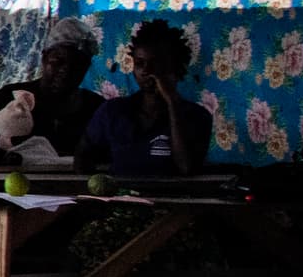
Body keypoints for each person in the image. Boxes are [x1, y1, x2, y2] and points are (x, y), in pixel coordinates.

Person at [83, 19, 213, 176]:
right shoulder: (113, 112)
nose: (146, 71)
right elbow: (82, 159)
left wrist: (172, 102)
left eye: (155, 64)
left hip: (172, 198)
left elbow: (186, 167)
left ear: (176, 68)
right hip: (122, 197)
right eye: (139, 63)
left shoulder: (197, 117)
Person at [0, 21, 106, 164]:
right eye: (58, 62)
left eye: (77, 65)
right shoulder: (9, 99)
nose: (66, 71)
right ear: (44, 58)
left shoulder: (97, 109)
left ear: (87, 67)